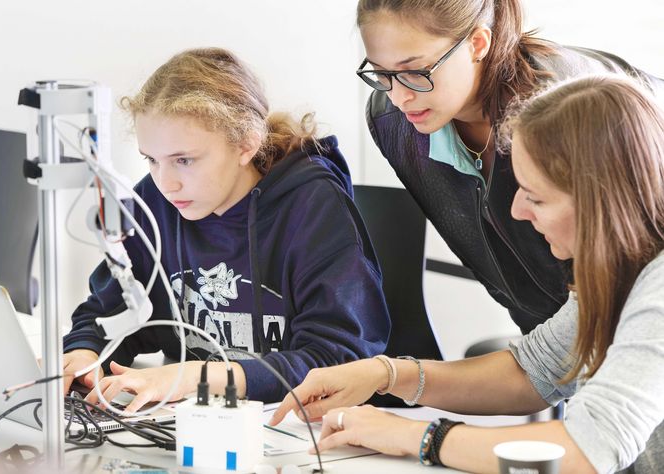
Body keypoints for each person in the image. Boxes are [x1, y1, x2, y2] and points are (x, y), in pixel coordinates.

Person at [270, 75, 664, 473]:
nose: (518, 212)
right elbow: (533, 371)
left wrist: (416, 437)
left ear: (604, 202)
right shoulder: (622, 271)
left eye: (537, 197)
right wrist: (384, 374)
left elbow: (585, 452)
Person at [61, 47, 391, 410]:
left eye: (184, 160)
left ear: (246, 144)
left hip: (301, 429)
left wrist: (191, 377)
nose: (166, 183)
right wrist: (83, 354)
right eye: (151, 160)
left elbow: (339, 361)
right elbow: (108, 312)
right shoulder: (155, 199)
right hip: (198, 423)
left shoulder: (311, 204)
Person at [355, 0, 664, 333]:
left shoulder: (565, 108)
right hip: (548, 338)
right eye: (381, 73)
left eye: (415, 72)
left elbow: (630, 273)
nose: (399, 97)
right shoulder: (392, 120)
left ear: (477, 43)